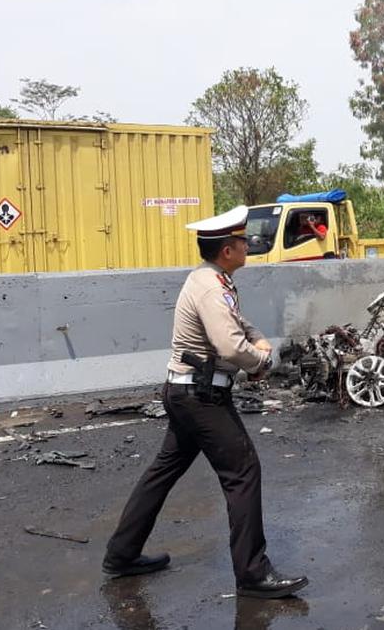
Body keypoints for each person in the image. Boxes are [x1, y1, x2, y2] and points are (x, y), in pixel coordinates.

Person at [102, 205, 308, 600]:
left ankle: (122, 554)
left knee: (163, 472)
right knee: (243, 471)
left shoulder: (210, 280)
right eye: (242, 240)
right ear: (227, 251)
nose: (248, 244)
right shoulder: (213, 286)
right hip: (201, 397)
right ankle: (253, 573)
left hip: (186, 392)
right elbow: (230, 344)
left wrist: (256, 340)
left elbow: (238, 325)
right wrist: (261, 359)